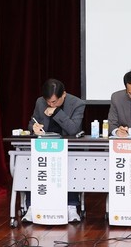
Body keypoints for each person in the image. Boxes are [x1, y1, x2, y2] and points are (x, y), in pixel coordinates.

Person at [24, 79, 86, 223]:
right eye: (48, 102)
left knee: (70, 168)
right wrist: (34, 127)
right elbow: (32, 122)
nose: (50, 105)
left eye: (54, 102)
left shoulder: (77, 103)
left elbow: (73, 129)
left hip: (68, 148)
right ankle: (31, 206)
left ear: (63, 94)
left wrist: (57, 112)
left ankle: (71, 206)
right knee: (30, 166)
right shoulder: (40, 102)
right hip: (44, 147)